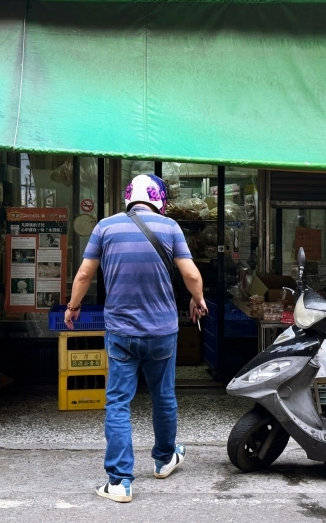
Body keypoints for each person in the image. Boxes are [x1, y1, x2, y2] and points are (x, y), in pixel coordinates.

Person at [65, 173, 207, 504]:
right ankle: (164, 458)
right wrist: (197, 300)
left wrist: (74, 307)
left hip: (121, 333)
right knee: (163, 395)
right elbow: (190, 274)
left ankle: (119, 482)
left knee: (118, 402)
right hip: (162, 331)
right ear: (159, 199)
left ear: (128, 197)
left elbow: (85, 273)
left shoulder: (105, 227)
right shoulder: (170, 228)